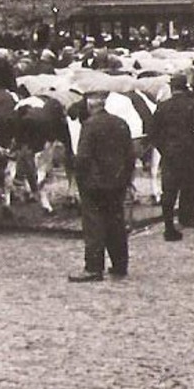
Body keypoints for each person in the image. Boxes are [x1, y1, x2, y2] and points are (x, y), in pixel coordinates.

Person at [148, 72, 194, 240]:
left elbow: (153, 133)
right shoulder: (193, 105)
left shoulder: (162, 107)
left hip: (170, 156)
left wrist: (164, 149)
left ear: (171, 87)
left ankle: (169, 229)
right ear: (185, 87)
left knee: (169, 193)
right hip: (191, 156)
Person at [69, 87, 134, 281]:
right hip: (117, 182)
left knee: (94, 225)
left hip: (94, 185)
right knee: (116, 222)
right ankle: (120, 264)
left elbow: (83, 157)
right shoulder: (121, 123)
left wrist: (80, 180)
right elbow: (130, 156)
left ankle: (94, 268)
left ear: (90, 106)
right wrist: (125, 179)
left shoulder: (89, 126)